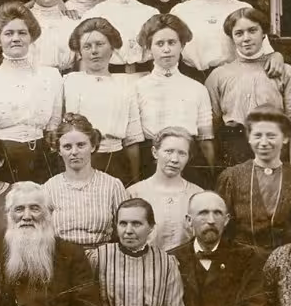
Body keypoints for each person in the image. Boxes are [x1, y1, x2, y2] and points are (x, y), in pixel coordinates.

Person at [0, 3, 63, 183]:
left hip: (42, 159)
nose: (16, 38)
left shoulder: (51, 76)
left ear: (31, 37)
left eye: (22, 33)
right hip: (2, 160)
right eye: (9, 33)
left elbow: (54, 124)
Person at [206, 7, 291, 168]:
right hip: (234, 158)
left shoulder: (284, 71)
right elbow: (211, 128)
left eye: (252, 31)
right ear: (232, 38)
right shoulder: (218, 76)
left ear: (263, 33)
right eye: (239, 33)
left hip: (275, 155)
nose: (246, 38)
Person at [216, 105, 291, 252]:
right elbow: (222, 228)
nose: (264, 143)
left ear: (285, 138)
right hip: (242, 260)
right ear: (249, 138)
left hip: (289, 259)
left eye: (271, 136)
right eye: (257, 136)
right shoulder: (232, 177)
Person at [134, 13, 217, 181]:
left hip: (189, 162)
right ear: (149, 48)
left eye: (172, 42)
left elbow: (205, 140)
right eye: (159, 44)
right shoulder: (137, 88)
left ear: (182, 45)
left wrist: (212, 175)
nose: (166, 49)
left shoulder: (197, 89)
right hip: (150, 162)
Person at [63, 17, 144, 184]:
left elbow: (133, 137)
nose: (94, 51)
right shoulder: (68, 82)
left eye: (99, 44)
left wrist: (134, 180)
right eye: (87, 46)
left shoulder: (125, 85)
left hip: (114, 160)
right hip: (76, 161)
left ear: (112, 48)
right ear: (80, 52)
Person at [41, 114, 127, 248]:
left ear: (93, 146)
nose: (74, 152)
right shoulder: (48, 188)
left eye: (81, 145)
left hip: (102, 256)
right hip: (63, 257)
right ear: (59, 150)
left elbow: (125, 229)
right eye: (67, 147)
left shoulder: (113, 186)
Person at [126, 128, 205, 252]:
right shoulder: (134, 193)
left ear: (188, 157)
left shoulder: (198, 195)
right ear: (155, 152)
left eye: (182, 153)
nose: (175, 159)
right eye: (169, 151)